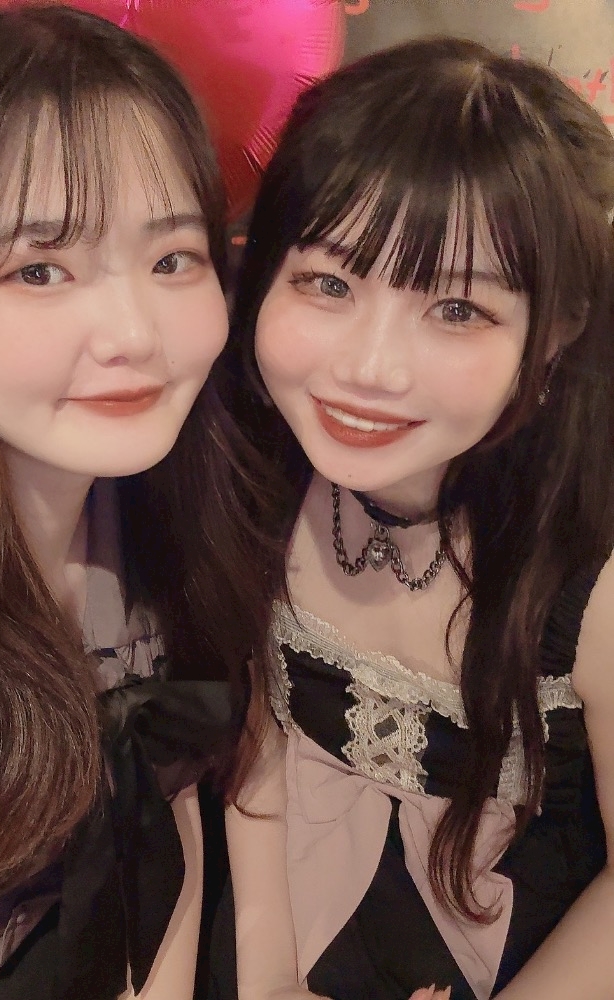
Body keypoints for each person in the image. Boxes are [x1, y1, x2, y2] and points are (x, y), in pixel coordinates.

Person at [0, 4, 259, 997]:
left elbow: (162, 816)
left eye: (172, 259)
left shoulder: (166, 506)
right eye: (40, 269)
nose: (135, 333)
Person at [208, 36, 614, 1000]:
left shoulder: (593, 562)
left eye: (458, 310)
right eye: (329, 283)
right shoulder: (246, 458)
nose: (369, 370)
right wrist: (267, 981)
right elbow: (253, 755)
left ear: (555, 330)